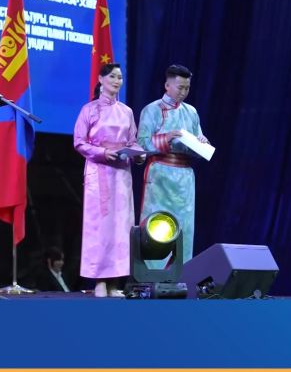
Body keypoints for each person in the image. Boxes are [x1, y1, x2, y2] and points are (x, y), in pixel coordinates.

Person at [73, 63, 143, 298]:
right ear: (101, 79)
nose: (116, 81)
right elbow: (79, 142)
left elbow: (132, 141)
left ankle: (115, 282)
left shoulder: (126, 111)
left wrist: (139, 154)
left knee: (121, 228)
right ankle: (99, 281)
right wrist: (102, 153)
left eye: (120, 77)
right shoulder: (89, 110)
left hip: (121, 175)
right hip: (99, 172)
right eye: (112, 76)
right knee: (100, 228)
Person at [137, 64, 209, 265]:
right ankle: (152, 274)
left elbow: (199, 139)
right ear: (167, 85)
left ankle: (182, 273)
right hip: (161, 174)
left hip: (185, 178)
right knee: (157, 224)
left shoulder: (191, 112)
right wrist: (166, 138)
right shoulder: (152, 110)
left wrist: (202, 143)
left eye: (187, 88)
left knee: (185, 228)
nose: (183, 92)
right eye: (180, 87)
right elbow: (141, 143)